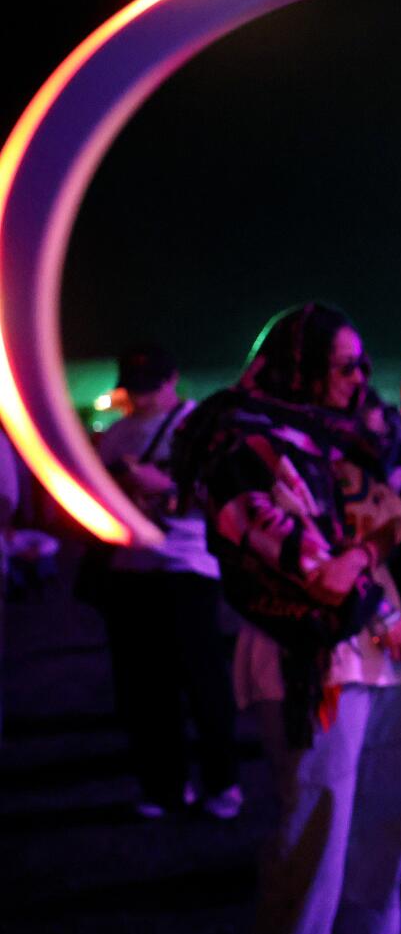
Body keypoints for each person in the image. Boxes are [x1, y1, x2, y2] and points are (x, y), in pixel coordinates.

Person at [174, 303, 401, 934]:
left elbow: (377, 531)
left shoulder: (327, 438)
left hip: (375, 654)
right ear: (300, 367)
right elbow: (314, 569)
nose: (357, 377)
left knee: (383, 823)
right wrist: (365, 562)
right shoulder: (239, 445)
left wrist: (365, 561)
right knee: (314, 840)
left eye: (358, 363)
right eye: (342, 364)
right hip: (308, 662)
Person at [91, 344, 240, 820]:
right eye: (135, 386)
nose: (143, 396)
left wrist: (167, 487)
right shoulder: (114, 435)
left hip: (189, 565)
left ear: (173, 379)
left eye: (151, 385)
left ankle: (222, 782)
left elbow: (228, 490)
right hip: (131, 570)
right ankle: (164, 786)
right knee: (145, 688)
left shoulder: (200, 426)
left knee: (203, 682)